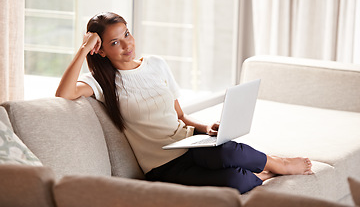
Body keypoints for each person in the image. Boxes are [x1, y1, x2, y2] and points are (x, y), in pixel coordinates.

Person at [56, 12, 313, 194]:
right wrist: (83, 47)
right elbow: (64, 94)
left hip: (189, 142)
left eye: (127, 34)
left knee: (227, 150)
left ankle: (279, 163)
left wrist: (207, 128)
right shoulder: (102, 82)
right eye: (114, 42)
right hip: (163, 164)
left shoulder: (156, 64)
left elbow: (180, 116)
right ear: (100, 50)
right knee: (232, 181)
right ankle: (261, 175)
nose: (127, 44)